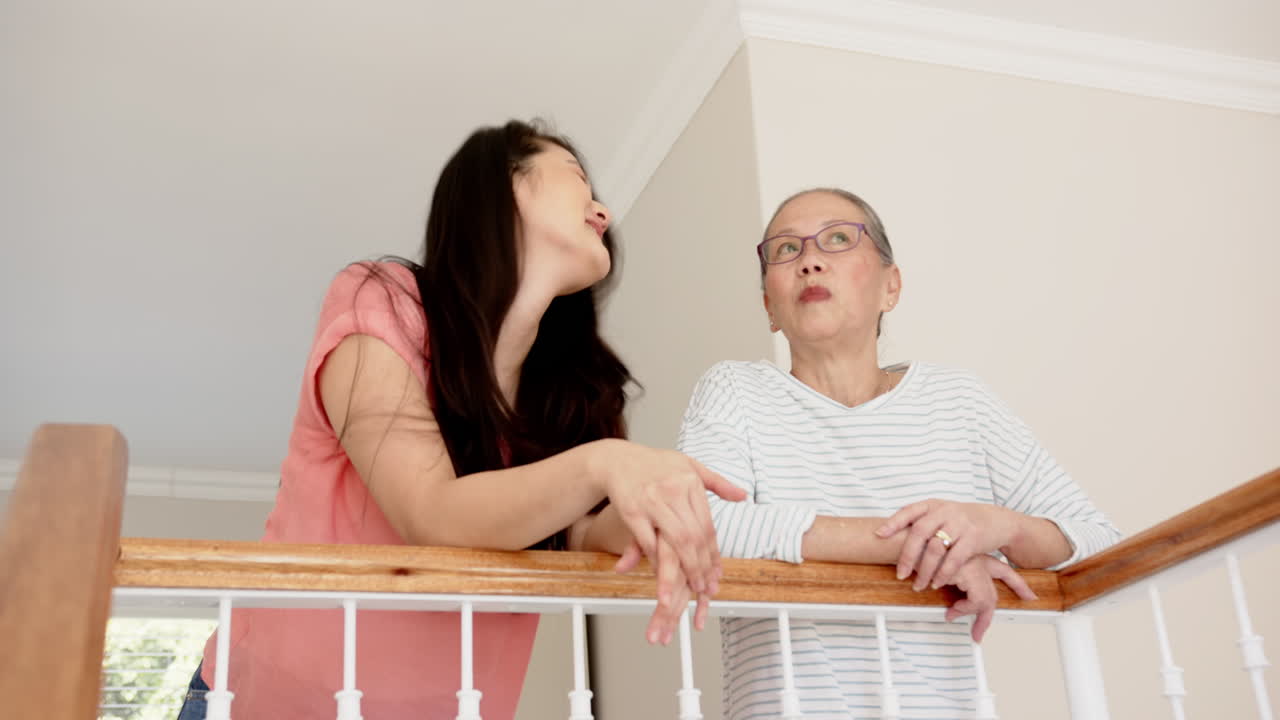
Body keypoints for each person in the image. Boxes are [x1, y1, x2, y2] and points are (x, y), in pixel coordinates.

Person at [174, 120, 745, 720]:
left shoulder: (568, 396)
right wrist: (607, 465)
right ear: (505, 187)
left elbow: (572, 536)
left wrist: (648, 521)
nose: (602, 207)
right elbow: (432, 512)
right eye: (576, 177)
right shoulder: (382, 299)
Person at [582, 187, 1120, 719]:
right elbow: (697, 524)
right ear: (769, 306)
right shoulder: (736, 391)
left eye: (838, 240)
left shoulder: (960, 401)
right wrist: (919, 543)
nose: (811, 261)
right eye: (787, 250)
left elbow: (1100, 544)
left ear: (892, 287)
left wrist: (997, 528)